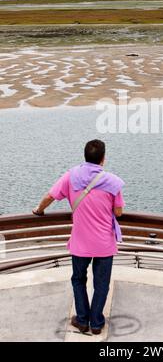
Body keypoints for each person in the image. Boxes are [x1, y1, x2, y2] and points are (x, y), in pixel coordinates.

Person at [32, 139, 125, 335]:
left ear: (85, 156)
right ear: (103, 159)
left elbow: (50, 196)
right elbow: (118, 212)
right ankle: (97, 323)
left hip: (81, 242)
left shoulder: (71, 176)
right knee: (101, 284)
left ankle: (82, 320)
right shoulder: (113, 181)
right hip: (104, 244)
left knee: (78, 279)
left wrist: (39, 210)